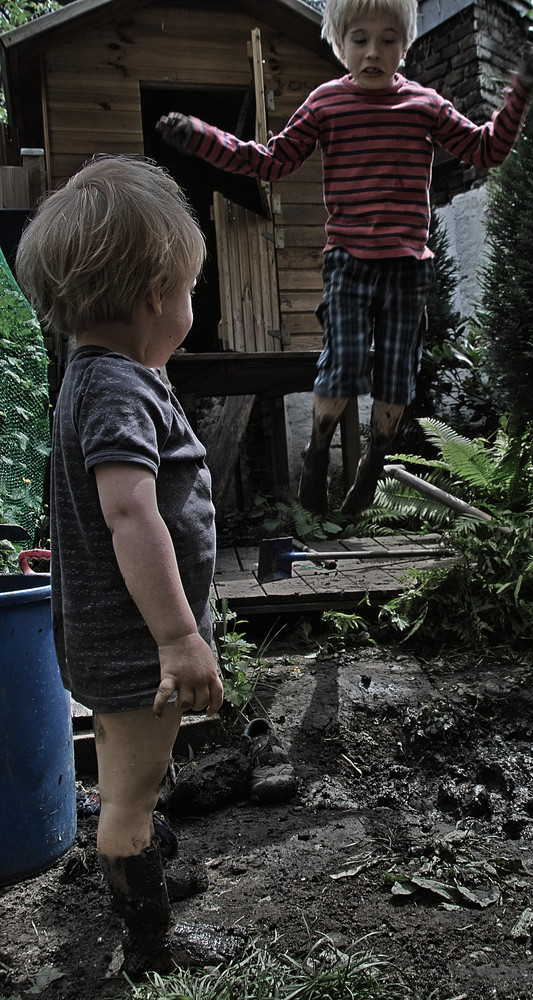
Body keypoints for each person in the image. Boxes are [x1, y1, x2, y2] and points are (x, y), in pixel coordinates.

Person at [156, 0, 533, 517]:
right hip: (348, 262)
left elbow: (486, 150)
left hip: (408, 267)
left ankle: (373, 463)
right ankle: (318, 449)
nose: (373, 52)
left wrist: (519, 90)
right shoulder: (325, 104)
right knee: (340, 367)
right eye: (360, 39)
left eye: (388, 39)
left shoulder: (425, 105)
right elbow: (271, 162)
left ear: (404, 44)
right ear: (340, 44)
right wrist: (200, 137)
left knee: (395, 380)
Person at [15, 155, 244, 975]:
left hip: (106, 638)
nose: (191, 302)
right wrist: (180, 640)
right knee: (128, 802)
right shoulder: (119, 389)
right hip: (136, 645)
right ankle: (151, 943)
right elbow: (128, 512)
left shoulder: (92, 373)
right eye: (189, 286)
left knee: (126, 774)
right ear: (157, 295)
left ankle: (136, 862)